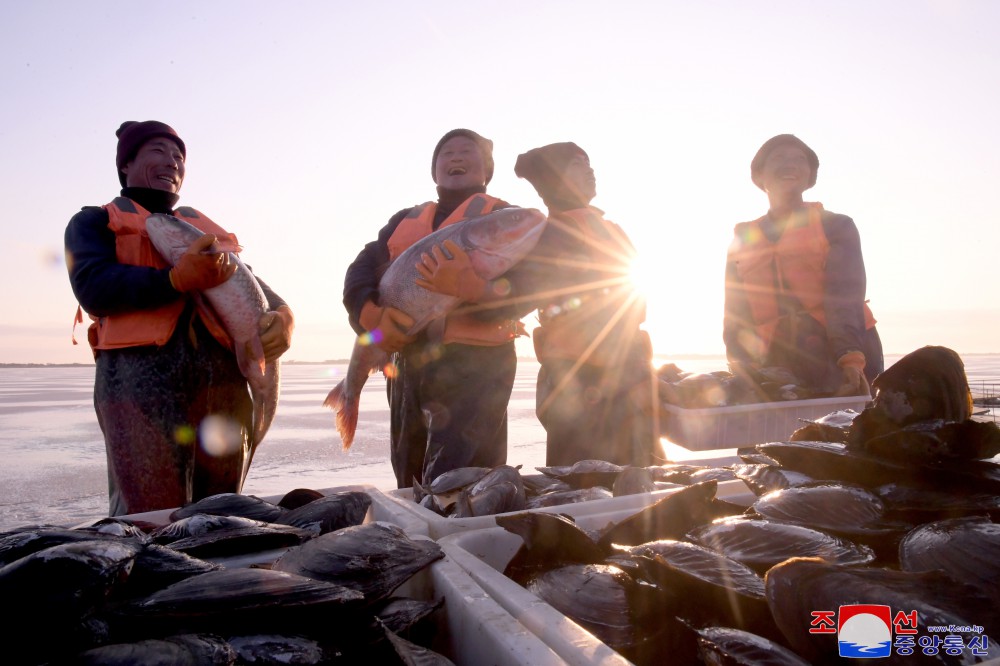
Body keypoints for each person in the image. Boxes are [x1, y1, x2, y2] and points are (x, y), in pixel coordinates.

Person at [64, 120, 294, 516]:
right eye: (158, 151)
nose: (172, 162)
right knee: (150, 519)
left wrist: (285, 317)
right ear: (127, 165)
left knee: (224, 517)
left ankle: (223, 579)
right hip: (136, 389)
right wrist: (173, 280)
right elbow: (92, 287)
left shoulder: (205, 235)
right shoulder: (94, 223)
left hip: (224, 389)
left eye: (179, 156)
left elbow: (256, 289)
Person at [342, 129, 525, 488]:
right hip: (407, 364)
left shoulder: (506, 218)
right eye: (446, 153)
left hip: (478, 367)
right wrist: (370, 316)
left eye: (466, 151)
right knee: (410, 478)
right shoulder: (404, 219)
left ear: (487, 169)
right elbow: (360, 271)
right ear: (434, 170)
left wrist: (478, 291)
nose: (455, 157)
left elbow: (537, 284)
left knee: (465, 481)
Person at [510, 142, 657, 467]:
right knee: (579, 478)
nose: (589, 170)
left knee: (637, 473)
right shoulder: (544, 234)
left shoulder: (611, 229)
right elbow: (522, 294)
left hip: (629, 372)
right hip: (574, 377)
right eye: (577, 165)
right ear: (554, 180)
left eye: (589, 163)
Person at [724, 134, 883, 397]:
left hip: (843, 349)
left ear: (810, 176)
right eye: (778, 158)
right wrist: (741, 365)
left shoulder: (836, 226)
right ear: (759, 176)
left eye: (799, 159)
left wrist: (850, 359)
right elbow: (734, 313)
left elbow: (844, 296)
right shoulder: (742, 239)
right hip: (778, 356)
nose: (790, 165)